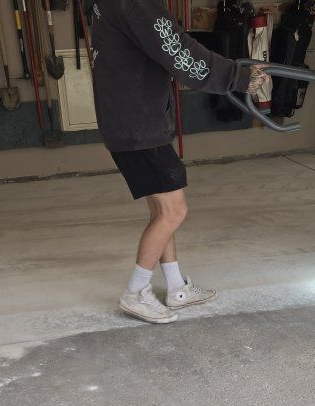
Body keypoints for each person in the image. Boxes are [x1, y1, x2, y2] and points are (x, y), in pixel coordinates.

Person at [85, 0, 269, 323]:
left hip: (129, 123)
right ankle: (135, 292)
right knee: (174, 211)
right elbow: (180, 53)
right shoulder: (136, 5)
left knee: (162, 211)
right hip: (139, 128)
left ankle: (175, 288)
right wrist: (238, 78)